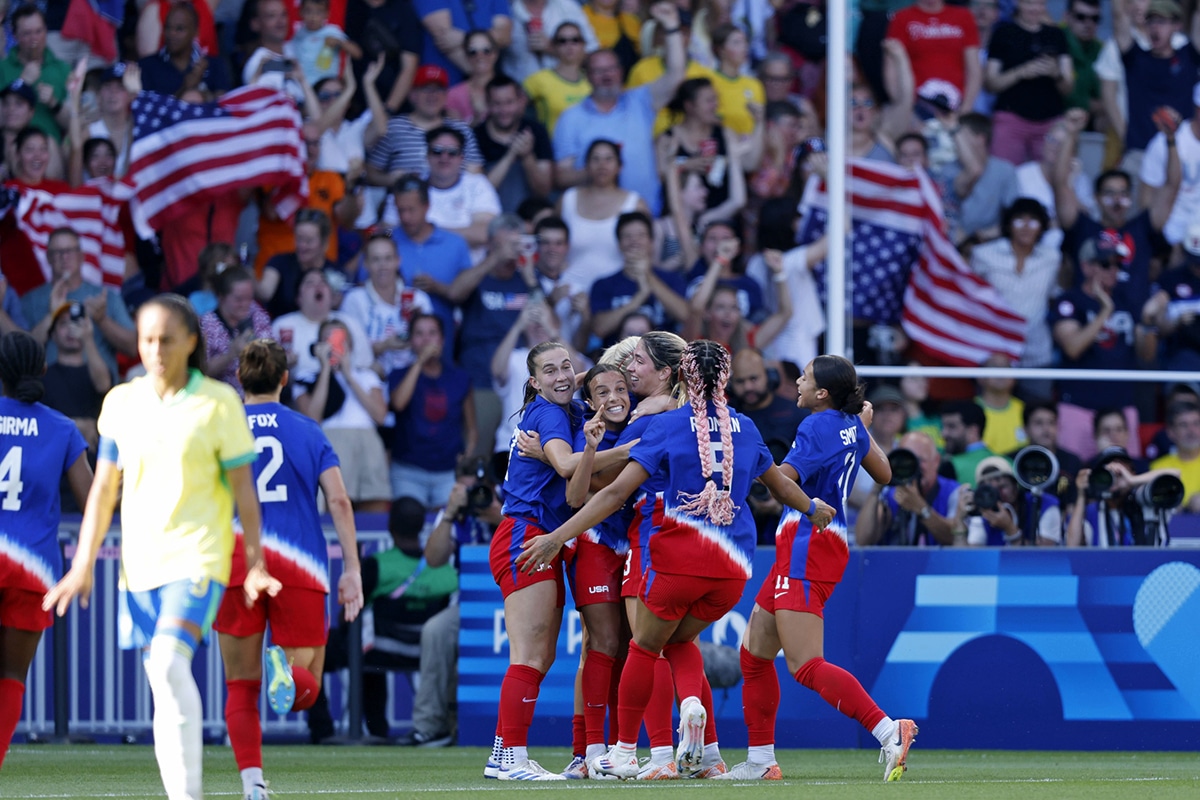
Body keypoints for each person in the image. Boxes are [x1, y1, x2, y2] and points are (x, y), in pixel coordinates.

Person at [517, 340, 833, 781]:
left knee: (644, 648)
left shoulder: (665, 425)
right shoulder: (746, 427)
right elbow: (779, 486)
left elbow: (610, 493)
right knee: (680, 643)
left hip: (671, 559)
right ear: (724, 379)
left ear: (680, 376)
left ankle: (634, 752)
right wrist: (814, 508)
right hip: (732, 571)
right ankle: (702, 738)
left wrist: (556, 537)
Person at [44, 295, 281, 800]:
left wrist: (256, 562)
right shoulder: (121, 403)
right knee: (161, 679)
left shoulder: (219, 402)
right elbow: (104, 489)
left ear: (191, 341)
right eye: (147, 339)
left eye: (166, 339)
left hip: (198, 558)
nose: (154, 350)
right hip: (140, 567)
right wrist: (82, 563)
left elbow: (245, 491)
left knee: (170, 663)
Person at [716, 354, 917, 782]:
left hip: (808, 545)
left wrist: (745, 466)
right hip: (816, 544)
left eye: (805, 379)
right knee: (753, 657)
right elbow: (883, 474)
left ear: (822, 393)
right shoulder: (848, 426)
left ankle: (889, 730)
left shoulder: (816, 425)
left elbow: (784, 476)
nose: (798, 384)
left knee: (805, 664)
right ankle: (760, 761)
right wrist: (863, 429)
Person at [214, 339, 364, 800]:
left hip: (238, 562)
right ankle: (284, 668)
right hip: (299, 564)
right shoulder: (308, 430)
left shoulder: (220, 427)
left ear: (239, 379)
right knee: (308, 691)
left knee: (240, 687)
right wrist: (352, 569)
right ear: (284, 378)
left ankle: (253, 785)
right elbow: (338, 500)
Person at [482, 340, 631, 780]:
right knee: (530, 656)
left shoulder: (562, 408)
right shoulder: (549, 413)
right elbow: (567, 466)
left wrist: (585, 374)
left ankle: (502, 752)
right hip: (526, 537)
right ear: (533, 382)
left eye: (567, 366)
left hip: (536, 537)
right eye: (550, 370)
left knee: (539, 657)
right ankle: (511, 758)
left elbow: (581, 383)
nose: (562, 375)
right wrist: (634, 449)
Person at [0, 332, 92, 770]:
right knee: (11, 678)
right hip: (35, 568)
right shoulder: (61, 428)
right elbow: (93, 501)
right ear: (42, 371)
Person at [553, 3, 688, 215]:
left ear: (621, 72)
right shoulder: (571, 118)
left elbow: (676, 74)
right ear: (587, 76)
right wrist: (601, 169)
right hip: (598, 221)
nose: (606, 76)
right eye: (598, 71)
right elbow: (562, 177)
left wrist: (671, 26)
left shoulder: (641, 101)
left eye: (611, 69)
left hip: (646, 218)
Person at [293, 320, 391, 512]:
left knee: (374, 503)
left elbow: (380, 415)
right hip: (331, 440)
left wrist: (348, 374)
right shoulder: (306, 378)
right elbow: (313, 418)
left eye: (339, 339)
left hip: (367, 442)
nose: (334, 345)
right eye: (328, 339)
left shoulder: (366, 376)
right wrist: (326, 370)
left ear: (350, 345)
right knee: (333, 504)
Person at [22, 226, 136, 381]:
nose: (65, 257)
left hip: (99, 392)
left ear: (82, 256)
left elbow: (133, 347)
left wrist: (102, 320)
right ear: (48, 257)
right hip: (48, 396)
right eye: (58, 252)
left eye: (70, 251)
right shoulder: (31, 300)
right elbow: (21, 353)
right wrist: (52, 315)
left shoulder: (106, 297)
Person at [388, 313, 476, 507]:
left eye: (432, 333)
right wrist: (419, 362)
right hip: (407, 471)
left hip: (448, 472)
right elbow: (399, 403)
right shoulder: (398, 375)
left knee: (448, 528)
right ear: (411, 341)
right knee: (408, 520)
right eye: (419, 334)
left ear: (443, 340)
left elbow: (471, 428)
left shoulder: (459, 378)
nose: (426, 339)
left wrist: (466, 462)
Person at [983, 0, 1074, 165]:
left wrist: (1055, 73)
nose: (1035, 9)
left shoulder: (1056, 35)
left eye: (1040, 4)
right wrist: (1022, 72)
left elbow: (1068, 88)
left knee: (1054, 176)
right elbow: (990, 84)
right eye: (1030, 3)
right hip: (1011, 118)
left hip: (1050, 120)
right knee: (1003, 174)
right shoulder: (1004, 33)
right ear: (1018, 3)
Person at [558, 138, 649, 293]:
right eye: (596, 159)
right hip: (571, 292)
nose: (602, 165)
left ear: (620, 166)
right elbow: (549, 240)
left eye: (608, 159)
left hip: (618, 294)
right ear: (586, 166)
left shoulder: (635, 203)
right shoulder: (567, 200)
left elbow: (650, 249)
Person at [340, 234, 434, 379]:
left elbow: (432, 350)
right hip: (369, 382)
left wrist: (418, 325)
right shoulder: (354, 300)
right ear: (365, 264)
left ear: (398, 261)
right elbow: (348, 352)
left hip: (414, 381)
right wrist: (385, 345)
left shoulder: (419, 299)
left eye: (388, 258)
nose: (382, 265)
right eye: (376, 259)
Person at [857, 431, 966, 547]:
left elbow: (954, 538)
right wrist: (877, 487)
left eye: (920, 460)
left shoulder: (953, 492)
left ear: (936, 461)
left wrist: (921, 508)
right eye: (906, 460)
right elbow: (863, 539)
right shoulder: (893, 494)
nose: (915, 467)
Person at [1066, 446, 1183, 546]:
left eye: (1121, 471)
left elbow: (1176, 474)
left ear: (1132, 472)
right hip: (1109, 570)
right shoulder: (1093, 510)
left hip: (1155, 570)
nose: (1116, 477)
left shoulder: (1148, 498)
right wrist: (1081, 495)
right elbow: (1072, 546)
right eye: (1109, 473)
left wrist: (1132, 480)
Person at [475, 75, 555, 214]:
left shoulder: (537, 131)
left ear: (520, 102)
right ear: (487, 104)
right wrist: (510, 155)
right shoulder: (475, 136)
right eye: (497, 103)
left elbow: (544, 191)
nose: (504, 110)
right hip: (491, 219)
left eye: (509, 102)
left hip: (529, 219)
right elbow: (479, 193)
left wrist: (527, 156)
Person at [200, 267, 274, 396]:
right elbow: (201, 372)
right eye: (239, 299)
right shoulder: (206, 325)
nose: (245, 304)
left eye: (249, 298)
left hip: (258, 396)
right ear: (221, 297)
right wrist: (231, 353)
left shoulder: (258, 315)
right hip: (220, 398)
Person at [963, 456, 1063, 546]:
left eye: (1003, 486)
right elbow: (972, 559)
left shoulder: (1043, 504)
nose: (999, 494)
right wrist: (959, 521)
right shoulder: (982, 514)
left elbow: (1046, 556)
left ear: (1015, 485)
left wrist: (1011, 530)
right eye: (991, 491)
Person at [523, 21, 593, 135]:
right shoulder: (538, 80)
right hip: (553, 149)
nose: (569, 45)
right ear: (554, 46)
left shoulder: (593, 80)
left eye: (575, 40)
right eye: (562, 41)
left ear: (584, 45)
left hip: (589, 149)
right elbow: (512, 108)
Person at [1150, 400, 1200, 513]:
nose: (1191, 431)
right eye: (1184, 425)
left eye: (1196, 423)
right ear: (1170, 432)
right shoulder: (1158, 467)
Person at [446, 30, 502, 124]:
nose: (480, 56)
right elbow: (456, 135)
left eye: (486, 50)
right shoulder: (453, 95)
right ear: (466, 56)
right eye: (473, 52)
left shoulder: (510, 90)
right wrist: (477, 118)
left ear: (495, 54)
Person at [940, 400, 994, 487]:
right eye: (943, 427)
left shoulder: (949, 466)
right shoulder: (1009, 462)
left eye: (951, 426)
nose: (943, 434)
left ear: (973, 431)